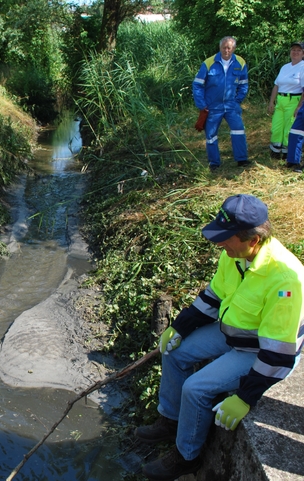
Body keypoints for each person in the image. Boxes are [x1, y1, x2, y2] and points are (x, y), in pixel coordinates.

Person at [135, 194, 304, 480]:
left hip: (257, 350)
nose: (219, 243)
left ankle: (186, 456)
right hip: (232, 332)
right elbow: (214, 296)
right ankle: (170, 419)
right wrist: (180, 327)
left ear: (253, 239)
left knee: (196, 388)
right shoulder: (234, 256)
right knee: (175, 352)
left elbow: (280, 351)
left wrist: (246, 397)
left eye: (226, 238)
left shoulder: (286, 280)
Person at [193, 37, 249, 171]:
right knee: (211, 135)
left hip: (231, 105)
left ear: (234, 49)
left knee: (238, 131)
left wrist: (237, 101)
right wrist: (202, 104)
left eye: (229, 48)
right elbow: (197, 84)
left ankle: (242, 159)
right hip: (212, 106)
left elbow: (243, 84)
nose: (226, 50)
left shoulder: (240, 62)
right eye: (224, 47)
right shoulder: (209, 63)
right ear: (220, 48)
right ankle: (214, 163)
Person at [268, 42, 304, 162]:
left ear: (303, 54)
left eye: (299, 50)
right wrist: (271, 102)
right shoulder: (285, 67)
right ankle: (275, 150)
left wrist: (299, 106)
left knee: (289, 127)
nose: (295, 52)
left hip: (294, 100)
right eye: (293, 50)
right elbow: (276, 85)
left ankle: (287, 152)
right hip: (281, 100)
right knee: (277, 126)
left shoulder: (302, 67)